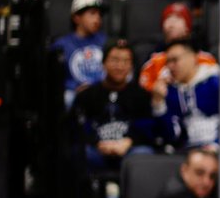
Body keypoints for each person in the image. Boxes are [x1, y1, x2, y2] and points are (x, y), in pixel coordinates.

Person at [70, 38, 164, 171]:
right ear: (103, 63)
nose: (120, 66)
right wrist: (97, 143)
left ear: (131, 66)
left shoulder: (141, 95)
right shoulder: (86, 95)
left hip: (129, 151)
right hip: (97, 151)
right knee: (78, 153)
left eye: (126, 61)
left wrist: (129, 142)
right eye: (114, 60)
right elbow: (76, 128)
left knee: (143, 154)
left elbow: (149, 129)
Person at [152, 37, 220, 149]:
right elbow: (172, 135)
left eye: (175, 60)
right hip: (187, 153)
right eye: (167, 62)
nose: (170, 66)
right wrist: (158, 104)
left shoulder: (217, 82)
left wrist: (216, 146)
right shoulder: (171, 91)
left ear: (193, 57)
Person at [138, 2, 219, 93]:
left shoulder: (205, 59)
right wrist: (157, 90)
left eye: (177, 19)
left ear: (187, 28)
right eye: (168, 19)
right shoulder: (153, 62)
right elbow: (144, 91)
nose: (171, 24)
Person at [51, 0, 106, 109]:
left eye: (99, 15)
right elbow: (53, 80)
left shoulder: (106, 41)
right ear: (76, 18)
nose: (97, 18)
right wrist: (75, 88)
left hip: (102, 92)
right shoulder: (61, 45)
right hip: (74, 93)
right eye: (92, 13)